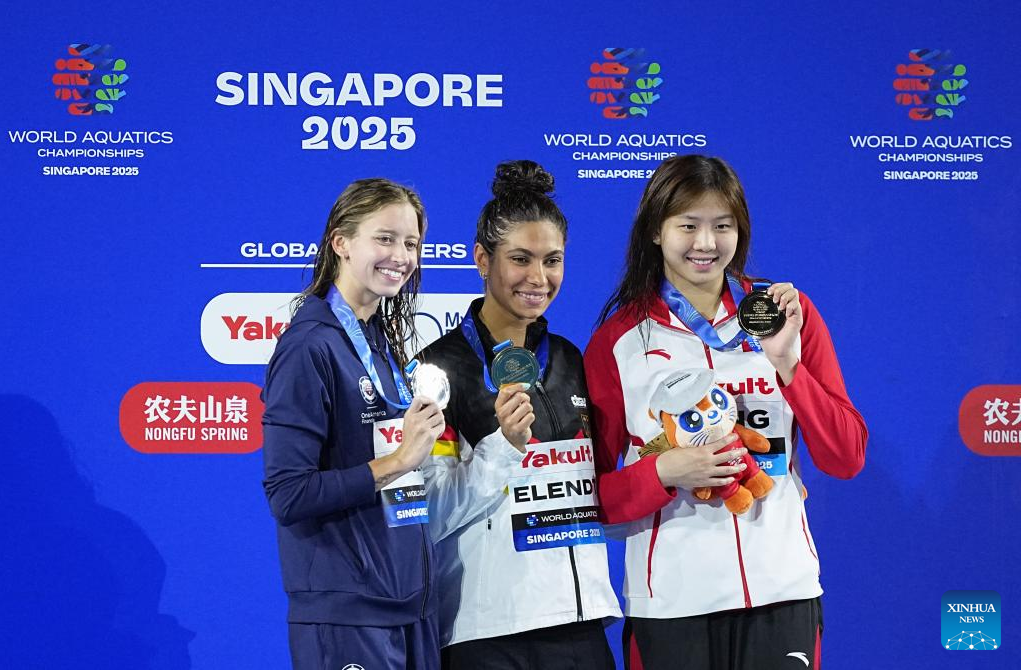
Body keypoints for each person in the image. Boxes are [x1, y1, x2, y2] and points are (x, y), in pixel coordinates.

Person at [584, 155, 868, 669]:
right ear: (655, 230)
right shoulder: (619, 340)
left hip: (782, 590)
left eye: (722, 226)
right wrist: (662, 472)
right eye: (687, 225)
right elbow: (593, 496)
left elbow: (846, 456)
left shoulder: (785, 315)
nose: (706, 243)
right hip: (672, 602)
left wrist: (787, 365)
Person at [419, 160, 621, 669]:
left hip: (581, 622)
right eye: (520, 259)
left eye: (553, 260)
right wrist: (502, 448)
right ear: (482, 260)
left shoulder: (572, 359)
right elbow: (429, 514)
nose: (538, 278)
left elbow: (600, 481)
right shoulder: (437, 369)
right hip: (489, 630)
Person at [261, 179, 446, 670]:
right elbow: (289, 495)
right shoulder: (309, 347)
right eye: (384, 238)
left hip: (409, 606)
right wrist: (399, 460)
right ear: (341, 243)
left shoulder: (379, 341)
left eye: (411, 243)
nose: (401, 256)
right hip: (348, 615)